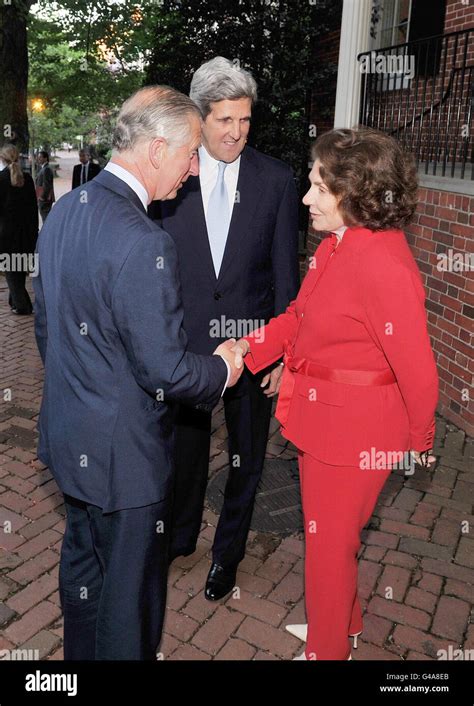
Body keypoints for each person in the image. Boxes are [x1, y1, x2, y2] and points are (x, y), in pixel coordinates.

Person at [33, 85, 243, 661]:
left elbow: (48, 328)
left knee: (84, 584)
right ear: (156, 150)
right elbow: (166, 370)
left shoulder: (64, 211)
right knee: (129, 610)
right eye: (190, 153)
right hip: (124, 464)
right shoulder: (144, 239)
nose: (194, 170)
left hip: (72, 443)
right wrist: (221, 369)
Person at [232, 128, 439, 660]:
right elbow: (299, 317)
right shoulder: (337, 246)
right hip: (324, 422)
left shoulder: (382, 264)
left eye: (319, 188)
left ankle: (328, 651)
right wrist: (246, 351)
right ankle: (342, 624)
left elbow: (417, 367)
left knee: (328, 547)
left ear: (357, 193)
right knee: (331, 539)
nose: (306, 198)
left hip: (356, 434)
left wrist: (421, 438)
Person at [156, 57, 299, 601]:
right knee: (184, 454)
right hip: (188, 349)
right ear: (199, 116)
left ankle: (227, 555)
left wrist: (283, 355)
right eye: (223, 121)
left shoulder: (277, 180)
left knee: (247, 457)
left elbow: (287, 277)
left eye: (244, 120)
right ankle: (181, 538)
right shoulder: (173, 177)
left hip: (255, 346)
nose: (236, 132)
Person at [0, 144, 38, 315]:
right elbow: (32, 208)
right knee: (19, 268)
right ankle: (14, 300)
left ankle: (22, 304)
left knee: (11, 271)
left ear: (2, 158)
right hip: (25, 233)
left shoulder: (1, 179)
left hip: (6, 235)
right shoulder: (28, 179)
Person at [35, 150, 55, 223]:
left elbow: (47, 185)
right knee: (44, 217)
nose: (38, 159)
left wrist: (42, 197)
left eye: (40, 157)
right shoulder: (44, 168)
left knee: (45, 217)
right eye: (38, 157)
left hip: (45, 198)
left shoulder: (46, 169)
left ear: (45, 158)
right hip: (43, 198)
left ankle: (47, 233)